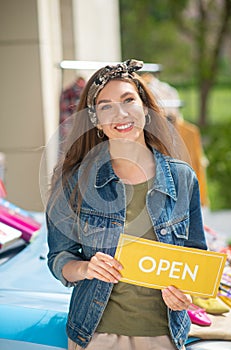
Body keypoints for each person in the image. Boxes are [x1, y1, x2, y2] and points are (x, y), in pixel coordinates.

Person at [46, 59, 207, 350]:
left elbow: (195, 259)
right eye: (106, 106)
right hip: (96, 335)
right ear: (95, 119)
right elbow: (59, 258)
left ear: (145, 108)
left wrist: (187, 294)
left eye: (128, 100)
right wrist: (85, 269)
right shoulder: (73, 180)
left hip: (164, 335)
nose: (120, 113)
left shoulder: (182, 178)